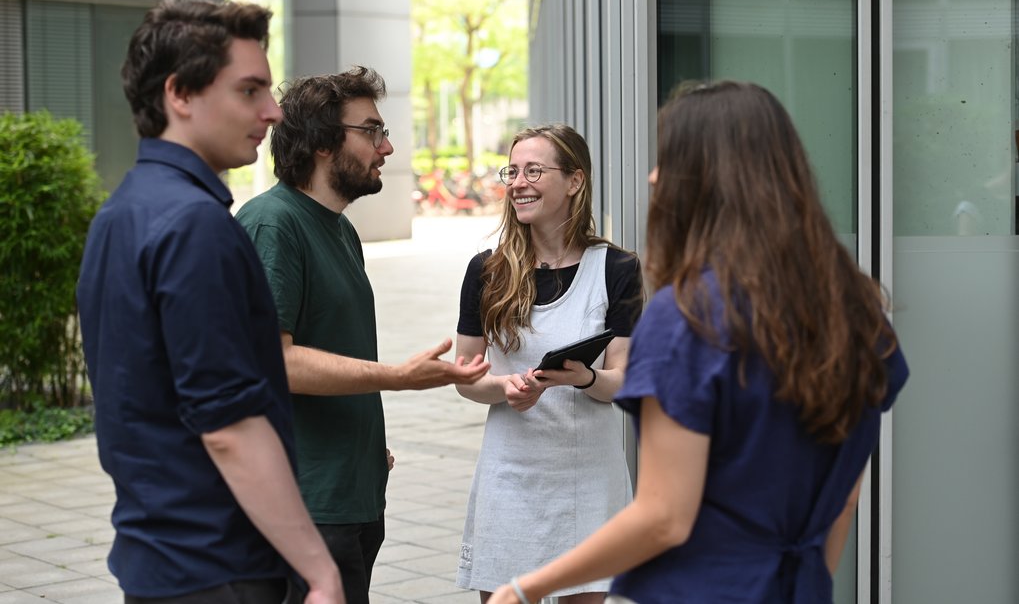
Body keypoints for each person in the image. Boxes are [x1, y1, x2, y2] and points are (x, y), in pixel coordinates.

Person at [487, 81, 910, 604]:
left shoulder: (690, 318)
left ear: (709, 179)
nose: (654, 176)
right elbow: (844, 501)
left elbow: (664, 518)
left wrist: (527, 587)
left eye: (669, 160)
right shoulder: (858, 311)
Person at [76, 0, 343, 603]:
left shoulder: (120, 212)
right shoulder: (194, 224)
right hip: (218, 567)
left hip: (159, 559)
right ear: (180, 94)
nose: (273, 111)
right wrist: (319, 569)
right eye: (249, 90)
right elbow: (228, 425)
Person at [235, 69, 490, 604]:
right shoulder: (273, 225)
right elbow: (274, 361)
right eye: (371, 131)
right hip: (303, 505)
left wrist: (365, 445)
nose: (387, 147)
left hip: (351, 496)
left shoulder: (341, 229)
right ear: (323, 142)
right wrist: (399, 377)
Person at [453, 124, 644, 603]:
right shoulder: (486, 271)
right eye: (512, 171)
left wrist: (585, 378)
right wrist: (504, 387)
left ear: (575, 181)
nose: (519, 183)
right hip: (509, 477)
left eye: (534, 171)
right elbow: (466, 377)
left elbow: (622, 381)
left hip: (588, 479)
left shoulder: (617, 269)